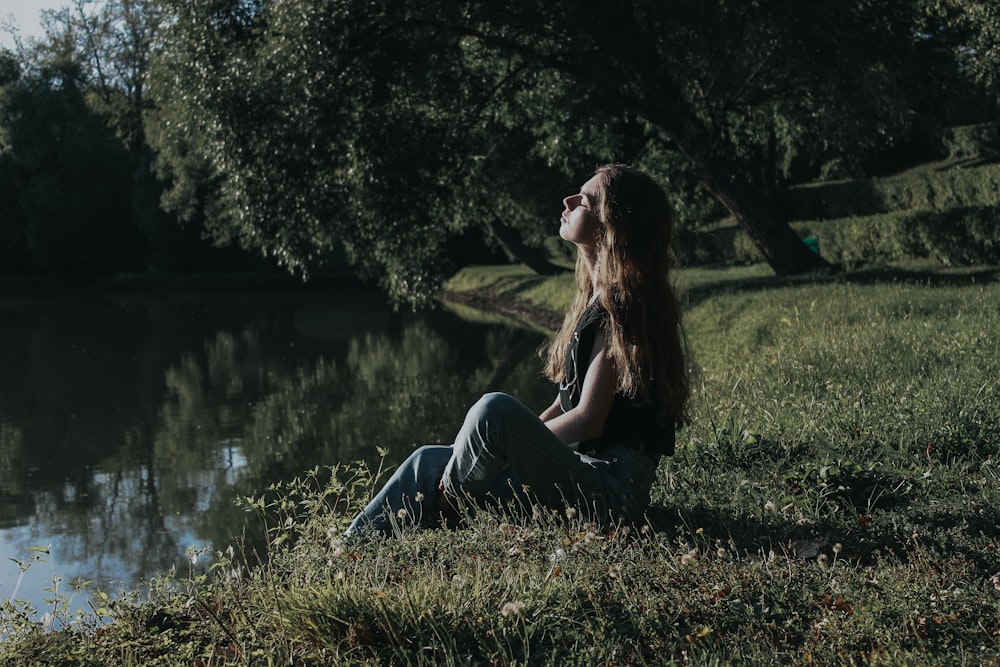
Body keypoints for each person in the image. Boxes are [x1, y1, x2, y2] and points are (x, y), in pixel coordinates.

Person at [345, 163, 690, 537]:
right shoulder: (595, 300)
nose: (568, 200)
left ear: (613, 227)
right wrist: (518, 448)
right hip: (582, 471)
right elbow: (566, 404)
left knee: (494, 411)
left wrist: (515, 444)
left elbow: (589, 418)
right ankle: (348, 551)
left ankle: (442, 517)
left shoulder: (624, 308)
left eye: (586, 202)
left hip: (611, 491)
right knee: (427, 460)